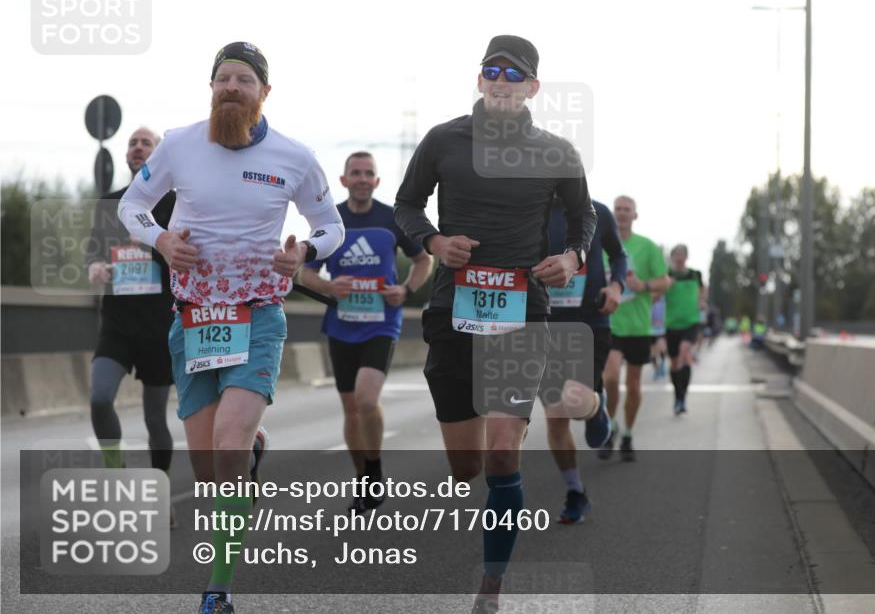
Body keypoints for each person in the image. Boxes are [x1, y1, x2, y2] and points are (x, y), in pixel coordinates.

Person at [118, 42, 345, 614]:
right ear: (211, 88)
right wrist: (161, 239)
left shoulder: (294, 157)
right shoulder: (178, 144)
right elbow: (133, 206)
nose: (231, 88)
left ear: (264, 93)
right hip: (193, 317)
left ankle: (218, 588)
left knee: (227, 446)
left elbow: (330, 224)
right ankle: (253, 447)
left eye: (244, 80)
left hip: (257, 314)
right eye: (222, 78)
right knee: (210, 471)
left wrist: (306, 252)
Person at [395, 34, 596, 613]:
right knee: (467, 469)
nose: (503, 82)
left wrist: (572, 258)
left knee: (503, 453)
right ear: (479, 80)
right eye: (493, 71)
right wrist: (433, 240)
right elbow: (407, 204)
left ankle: (490, 587)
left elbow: (582, 218)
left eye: (515, 74)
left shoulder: (558, 151)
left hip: (521, 309)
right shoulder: (443, 140)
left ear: (533, 87)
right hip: (453, 307)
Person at [299, 151, 432, 513]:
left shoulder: (392, 220)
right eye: (354, 173)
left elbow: (424, 259)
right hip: (341, 325)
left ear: (376, 181)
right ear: (343, 181)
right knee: (351, 412)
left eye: (368, 173)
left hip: (382, 323)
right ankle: (363, 479)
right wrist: (329, 287)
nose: (361, 178)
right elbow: (306, 272)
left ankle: (373, 469)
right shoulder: (331, 221)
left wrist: (406, 290)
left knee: (367, 399)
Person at [86, 126, 176, 523]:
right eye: (133, 143)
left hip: (159, 326)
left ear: (157, 157)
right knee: (99, 398)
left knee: (155, 419)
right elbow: (93, 251)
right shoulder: (108, 204)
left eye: (147, 143)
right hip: (118, 324)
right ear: (127, 157)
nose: (138, 148)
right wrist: (96, 267)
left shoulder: (176, 205)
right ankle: (116, 474)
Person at [543, 197, 623, 524]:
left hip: (590, 322)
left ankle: (595, 407)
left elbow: (618, 254)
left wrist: (616, 286)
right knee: (556, 417)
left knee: (575, 402)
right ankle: (575, 491)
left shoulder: (597, 212)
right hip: (542, 325)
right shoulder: (529, 210)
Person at [598, 196, 669, 461]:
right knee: (611, 378)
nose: (622, 213)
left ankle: (627, 432)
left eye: (627, 210)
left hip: (639, 326)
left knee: (635, 385)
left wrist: (644, 286)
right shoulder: (601, 245)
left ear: (635, 216)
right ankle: (611, 426)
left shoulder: (647, 247)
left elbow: (665, 280)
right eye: (618, 209)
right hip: (609, 323)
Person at [664, 244, 706, 415]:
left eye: (682, 255)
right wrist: (666, 285)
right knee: (674, 363)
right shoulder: (666, 275)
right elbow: (657, 294)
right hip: (671, 324)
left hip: (691, 322)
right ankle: (677, 396)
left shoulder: (695, 275)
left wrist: (702, 301)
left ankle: (683, 398)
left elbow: (703, 289)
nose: (679, 258)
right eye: (676, 255)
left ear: (686, 257)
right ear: (673, 257)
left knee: (684, 354)